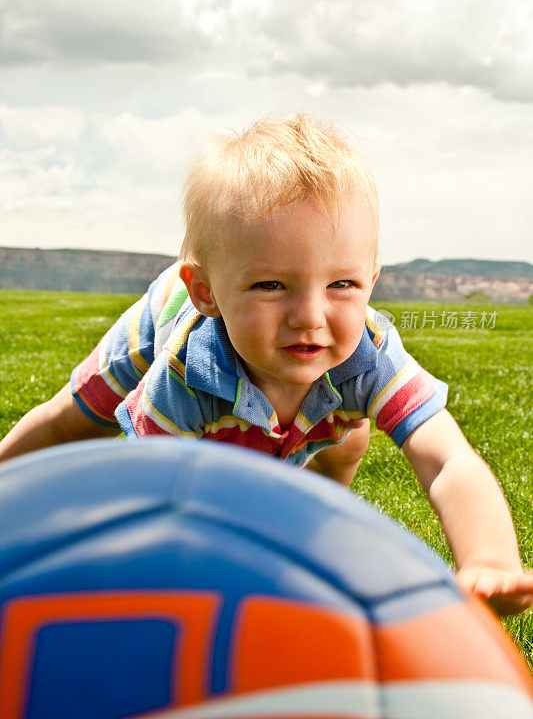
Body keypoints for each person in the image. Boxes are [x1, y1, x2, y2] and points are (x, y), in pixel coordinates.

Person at [1, 114, 532, 617]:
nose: (310, 317)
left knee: (344, 435)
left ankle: (322, 509)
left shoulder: (368, 351)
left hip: (331, 401)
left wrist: (489, 559)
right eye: (270, 285)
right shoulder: (186, 372)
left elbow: (447, 460)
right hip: (159, 324)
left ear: (371, 281)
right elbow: (163, 497)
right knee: (79, 415)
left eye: (341, 284)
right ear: (208, 291)